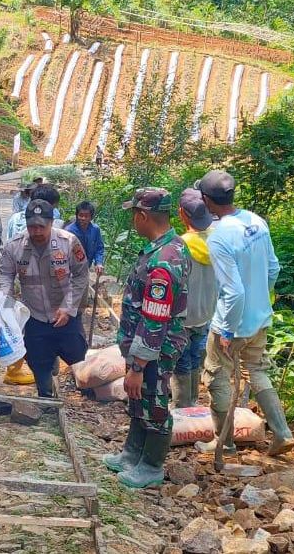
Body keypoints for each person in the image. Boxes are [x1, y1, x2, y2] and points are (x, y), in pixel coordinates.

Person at [192, 170, 294, 456]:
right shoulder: (255, 221)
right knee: (257, 371)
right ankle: (282, 433)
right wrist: (262, 301)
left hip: (233, 323)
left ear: (206, 200)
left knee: (215, 376)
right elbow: (273, 268)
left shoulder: (219, 237)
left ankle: (224, 443)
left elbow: (233, 291)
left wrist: (226, 329)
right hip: (260, 319)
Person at [102, 188, 190, 489]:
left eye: (133, 216)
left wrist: (138, 366)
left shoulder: (164, 261)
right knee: (139, 399)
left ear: (143, 216)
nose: (133, 221)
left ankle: (151, 465)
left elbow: (155, 319)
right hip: (146, 345)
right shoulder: (166, 248)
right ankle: (131, 454)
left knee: (153, 401)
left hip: (155, 348)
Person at [0, 200, 89, 398]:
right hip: (35, 314)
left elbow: (82, 274)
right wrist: (5, 303)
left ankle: (85, 396)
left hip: (65, 313)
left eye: (42, 226)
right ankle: (45, 396)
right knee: (37, 360)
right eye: (32, 226)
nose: (37, 231)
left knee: (78, 355)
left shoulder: (69, 242)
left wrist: (68, 307)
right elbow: (6, 275)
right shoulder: (14, 246)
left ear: (51, 223)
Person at [173, 189, 218, 408]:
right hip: (206, 313)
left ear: (182, 214)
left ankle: (183, 408)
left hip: (183, 316)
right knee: (195, 361)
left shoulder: (180, 245)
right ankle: (191, 401)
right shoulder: (217, 240)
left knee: (181, 362)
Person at [65, 201, 105, 276]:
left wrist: (99, 263)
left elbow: (99, 248)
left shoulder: (95, 229)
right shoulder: (68, 231)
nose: (83, 218)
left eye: (86, 216)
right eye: (81, 215)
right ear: (76, 215)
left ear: (91, 217)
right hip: (70, 270)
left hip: (86, 268)